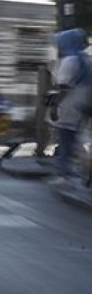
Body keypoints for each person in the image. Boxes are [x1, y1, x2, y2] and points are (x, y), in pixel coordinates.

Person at [50, 28, 91, 181]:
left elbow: (63, 87)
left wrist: (55, 105)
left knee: (66, 139)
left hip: (69, 106)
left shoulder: (70, 61)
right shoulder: (86, 59)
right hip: (83, 104)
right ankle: (79, 172)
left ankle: (65, 174)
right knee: (77, 138)